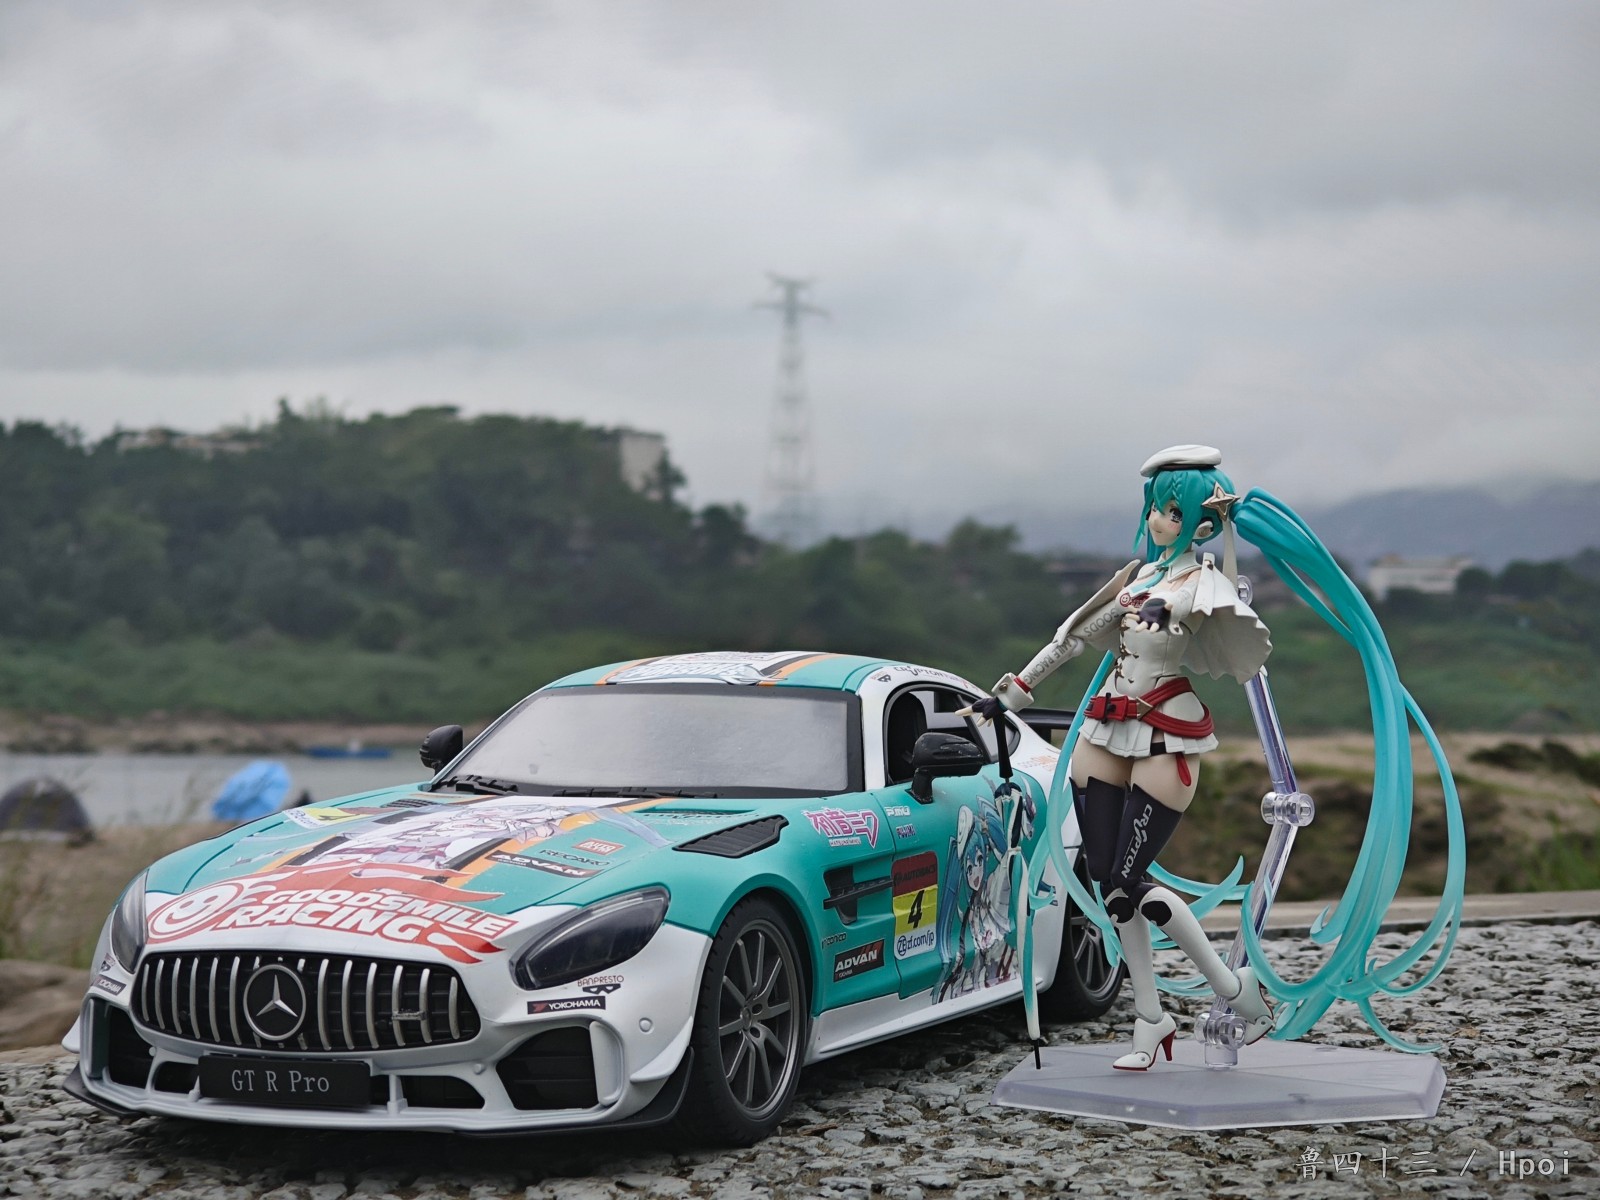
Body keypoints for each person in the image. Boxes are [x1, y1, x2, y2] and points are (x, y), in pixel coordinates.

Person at [971, 445, 1465, 1068]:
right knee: (1109, 886)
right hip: (1106, 728)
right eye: (1156, 509)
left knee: (1128, 880)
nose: (1158, 521)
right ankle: (1151, 1018)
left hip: (1166, 732)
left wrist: (1200, 569)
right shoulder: (1136, 578)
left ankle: (1234, 992)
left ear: (1202, 525)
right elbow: (1071, 638)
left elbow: (1218, 613)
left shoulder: (1200, 584)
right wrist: (1010, 695)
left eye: (1173, 513)